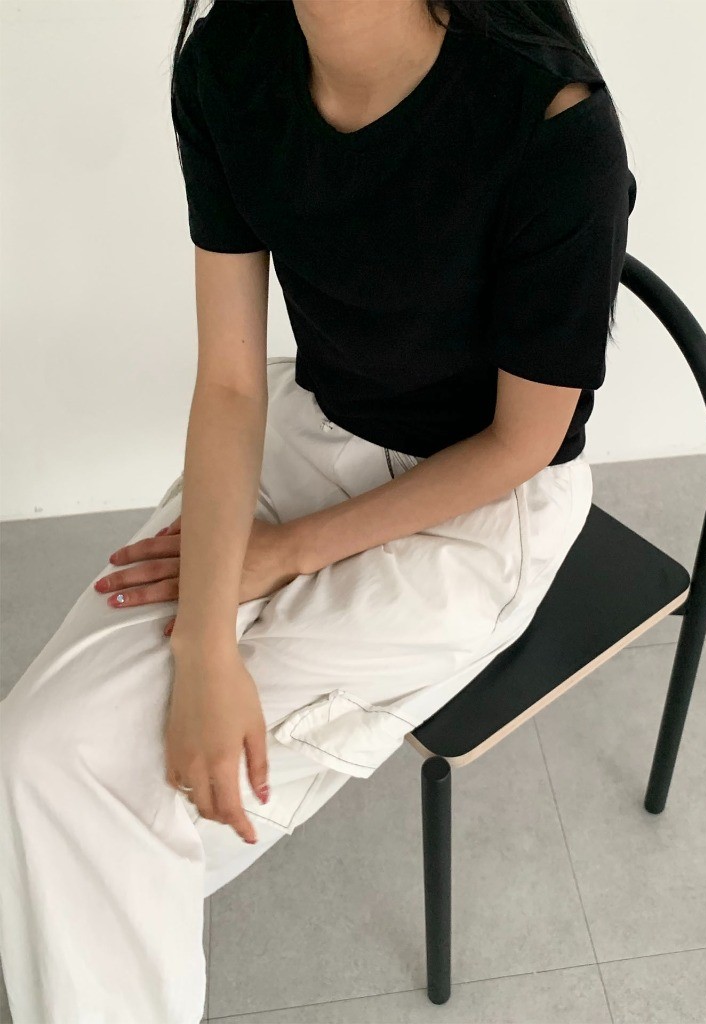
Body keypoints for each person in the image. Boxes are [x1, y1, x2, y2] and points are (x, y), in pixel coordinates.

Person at [0, 0, 637, 1019]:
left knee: (124, 804)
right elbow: (230, 385)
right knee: (34, 750)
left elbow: (520, 444)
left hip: (482, 508)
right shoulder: (229, 62)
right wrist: (203, 642)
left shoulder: (555, 126)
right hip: (307, 430)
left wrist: (281, 554)